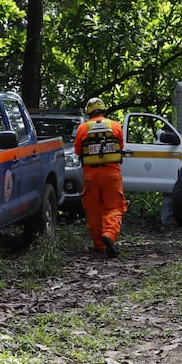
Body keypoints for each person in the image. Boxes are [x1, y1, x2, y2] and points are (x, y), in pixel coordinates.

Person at [73, 97, 127, 257]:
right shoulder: (115, 126)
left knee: (94, 210)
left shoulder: (83, 128)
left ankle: (99, 245)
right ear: (104, 110)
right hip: (111, 174)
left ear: (89, 112)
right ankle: (109, 235)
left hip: (90, 175)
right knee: (114, 207)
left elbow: (77, 151)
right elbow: (121, 146)